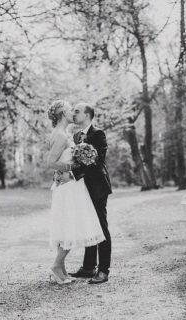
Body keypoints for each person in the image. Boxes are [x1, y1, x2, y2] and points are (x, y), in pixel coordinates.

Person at [46, 100, 105, 285]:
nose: (73, 112)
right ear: (63, 113)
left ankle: (61, 270)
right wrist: (71, 167)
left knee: (68, 226)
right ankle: (56, 266)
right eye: (70, 110)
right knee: (70, 226)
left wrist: (70, 169)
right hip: (68, 187)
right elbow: (51, 162)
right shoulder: (62, 136)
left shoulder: (66, 134)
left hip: (72, 185)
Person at [68, 102, 112, 284]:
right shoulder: (76, 136)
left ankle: (103, 270)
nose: (73, 114)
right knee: (88, 225)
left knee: (100, 227)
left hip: (98, 187)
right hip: (82, 189)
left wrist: (73, 173)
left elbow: (97, 161)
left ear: (87, 115)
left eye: (77, 112)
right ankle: (88, 267)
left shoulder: (98, 134)